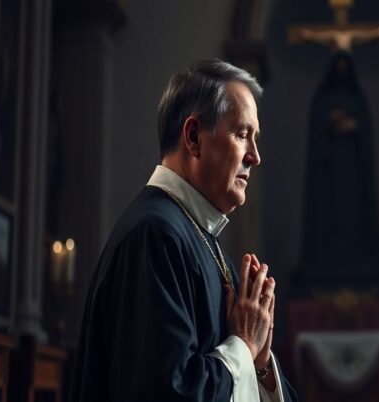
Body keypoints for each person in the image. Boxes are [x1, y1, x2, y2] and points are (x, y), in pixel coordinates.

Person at [69, 59, 297, 402]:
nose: (255, 157)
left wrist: (261, 360)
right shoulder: (153, 236)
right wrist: (243, 346)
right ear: (193, 137)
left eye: (256, 139)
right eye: (242, 135)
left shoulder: (201, 237)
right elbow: (165, 393)